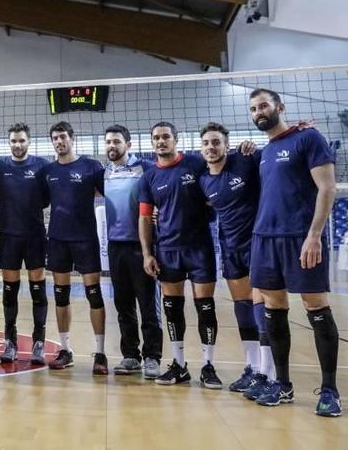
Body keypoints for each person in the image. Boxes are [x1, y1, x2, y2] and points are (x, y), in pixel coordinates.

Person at [247, 88, 341, 416]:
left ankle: (330, 390)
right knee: (273, 307)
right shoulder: (265, 151)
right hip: (264, 238)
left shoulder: (309, 138)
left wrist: (314, 235)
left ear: (279, 106)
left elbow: (327, 188)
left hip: (300, 237)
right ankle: (282, 384)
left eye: (264, 105)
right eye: (254, 108)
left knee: (316, 306)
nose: (259, 111)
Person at [138, 121, 222, 388]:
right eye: (156, 138)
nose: (160, 141)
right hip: (167, 249)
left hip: (200, 248)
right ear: (152, 143)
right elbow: (144, 218)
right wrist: (146, 253)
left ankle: (208, 366)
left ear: (176, 139)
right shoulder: (149, 176)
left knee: (205, 306)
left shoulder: (196, 163)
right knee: (172, 308)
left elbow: (221, 169)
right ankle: (178, 364)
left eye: (165, 137)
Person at [197, 122, 275, 393]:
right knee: (242, 306)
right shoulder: (204, 180)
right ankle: (253, 368)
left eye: (216, 142)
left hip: (256, 243)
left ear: (226, 145)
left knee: (261, 308)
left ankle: (268, 372)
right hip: (229, 248)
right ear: (201, 148)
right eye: (207, 143)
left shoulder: (245, 159)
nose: (211, 146)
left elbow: (276, 155)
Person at [40, 121, 108, 374]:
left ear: (72, 138)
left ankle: (100, 353)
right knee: (61, 295)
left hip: (85, 239)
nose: (59, 142)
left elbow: (110, 192)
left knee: (94, 294)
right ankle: (65, 350)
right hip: (57, 239)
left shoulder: (91, 166)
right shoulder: (48, 171)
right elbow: (40, 199)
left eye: (62, 137)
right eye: (55, 138)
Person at [102, 124, 163, 379]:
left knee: (148, 304)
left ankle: (152, 357)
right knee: (123, 304)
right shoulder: (104, 172)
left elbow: (164, 192)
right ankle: (130, 356)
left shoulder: (146, 169)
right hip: (116, 245)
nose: (111, 146)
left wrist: (162, 213)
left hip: (143, 245)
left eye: (116, 142)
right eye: (108, 142)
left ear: (129, 144)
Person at [0, 122, 49, 365]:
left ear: (29, 142)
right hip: (9, 234)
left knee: (37, 288)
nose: (17, 145)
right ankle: (10, 341)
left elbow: (46, 197)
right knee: (9, 291)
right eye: (13, 141)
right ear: (8, 142)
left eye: (22, 140)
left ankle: (38, 342)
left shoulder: (41, 166)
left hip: (34, 234)